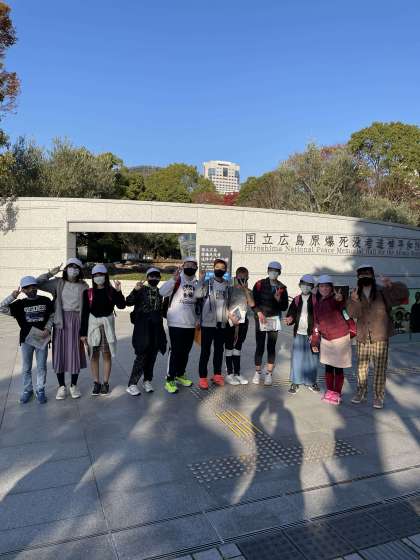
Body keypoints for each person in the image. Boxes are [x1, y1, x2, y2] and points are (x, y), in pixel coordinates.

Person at [347, 264, 409, 409]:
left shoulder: (383, 291)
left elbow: (403, 294)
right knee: (361, 368)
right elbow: (352, 313)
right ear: (358, 278)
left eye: (367, 274)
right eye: (362, 275)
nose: (365, 277)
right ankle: (361, 392)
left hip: (380, 336)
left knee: (380, 369)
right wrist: (354, 300)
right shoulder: (355, 294)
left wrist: (391, 285)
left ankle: (378, 397)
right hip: (363, 337)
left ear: (372, 276)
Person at [36, 258, 88, 400]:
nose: (73, 269)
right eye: (70, 266)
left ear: (80, 270)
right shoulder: (58, 283)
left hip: (77, 321)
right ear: (66, 269)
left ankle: (74, 385)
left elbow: (87, 308)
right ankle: (61, 387)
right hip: (61, 320)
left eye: (76, 267)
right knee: (60, 353)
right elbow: (37, 283)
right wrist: (50, 273)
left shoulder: (84, 286)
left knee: (75, 352)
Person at [0, 276, 54, 404]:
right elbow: (1, 308)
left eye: (33, 286)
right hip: (26, 340)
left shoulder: (45, 300)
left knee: (41, 367)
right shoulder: (20, 304)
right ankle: (27, 390)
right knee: (26, 367)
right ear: (23, 290)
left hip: (42, 338)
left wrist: (48, 329)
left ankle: (40, 389)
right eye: (27, 288)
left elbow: (52, 316)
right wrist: (12, 296)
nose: (31, 289)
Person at [80, 264, 126, 396]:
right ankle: (96, 383)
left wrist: (118, 291)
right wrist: (82, 333)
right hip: (92, 328)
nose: (98, 277)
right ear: (92, 277)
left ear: (106, 276)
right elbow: (85, 313)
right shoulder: (88, 293)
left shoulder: (111, 291)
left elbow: (122, 305)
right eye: (96, 275)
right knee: (93, 356)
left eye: (101, 275)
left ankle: (105, 383)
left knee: (106, 355)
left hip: (106, 328)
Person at [159, 257, 198, 394]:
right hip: (175, 322)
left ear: (196, 268)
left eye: (193, 265)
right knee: (175, 351)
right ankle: (169, 379)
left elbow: (199, 302)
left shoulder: (196, 283)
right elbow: (162, 292)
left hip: (190, 323)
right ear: (183, 266)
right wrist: (172, 280)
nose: (190, 267)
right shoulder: (177, 280)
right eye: (188, 264)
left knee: (185, 351)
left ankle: (180, 374)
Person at [126, 268, 167, 396]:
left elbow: (162, 310)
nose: (154, 279)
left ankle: (147, 380)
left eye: (157, 276)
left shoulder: (160, 292)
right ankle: (132, 384)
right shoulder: (141, 289)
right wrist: (135, 290)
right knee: (142, 355)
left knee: (152, 355)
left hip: (156, 327)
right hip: (142, 327)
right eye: (151, 276)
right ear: (147, 277)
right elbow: (128, 302)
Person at [313, 274, 351, 405]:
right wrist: (314, 338)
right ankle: (330, 391)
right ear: (318, 288)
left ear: (331, 288)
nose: (324, 289)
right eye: (321, 286)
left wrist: (340, 299)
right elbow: (316, 323)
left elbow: (339, 304)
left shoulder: (334, 299)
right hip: (326, 339)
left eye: (327, 286)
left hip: (340, 337)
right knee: (328, 367)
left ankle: (337, 393)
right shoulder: (318, 303)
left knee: (338, 367)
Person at [252, 261, 289, 386]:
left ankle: (268, 373)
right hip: (261, 319)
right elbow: (253, 302)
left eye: (276, 271)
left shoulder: (282, 288)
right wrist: (259, 313)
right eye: (271, 270)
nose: (273, 273)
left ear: (279, 273)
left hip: (274, 320)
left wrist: (279, 300)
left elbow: (284, 307)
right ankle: (257, 372)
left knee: (271, 347)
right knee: (260, 346)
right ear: (268, 271)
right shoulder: (259, 284)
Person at [195, 258, 229, 389]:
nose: (220, 270)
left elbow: (229, 303)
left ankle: (217, 375)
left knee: (219, 351)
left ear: (225, 270)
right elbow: (198, 294)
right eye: (217, 267)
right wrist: (201, 279)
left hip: (222, 323)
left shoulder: (227, 285)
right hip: (208, 323)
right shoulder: (207, 283)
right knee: (205, 351)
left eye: (222, 268)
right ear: (214, 269)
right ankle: (202, 377)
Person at [285, 274, 319, 394]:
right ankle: (295, 382)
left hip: (312, 335)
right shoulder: (296, 299)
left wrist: (316, 332)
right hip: (299, 333)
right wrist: (289, 320)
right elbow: (291, 314)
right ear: (300, 285)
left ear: (312, 287)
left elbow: (320, 317)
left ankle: (311, 381)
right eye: (304, 284)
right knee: (297, 358)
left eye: (309, 285)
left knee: (312, 360)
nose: (306, 287)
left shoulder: (316, 299)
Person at [224, 266, 255, 385]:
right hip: (230, 321)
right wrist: (230, 317)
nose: (242, 280)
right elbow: (224, 306)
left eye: (245, 278)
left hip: (243, 322)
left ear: (248, 278)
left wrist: (245, 289)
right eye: (240, 278)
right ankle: (229, 374)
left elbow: (251, 304)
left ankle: (237, 373)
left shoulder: (249, 291)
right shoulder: (229, 290)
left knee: (238, 348)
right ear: (235, 277)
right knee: (229, 348)